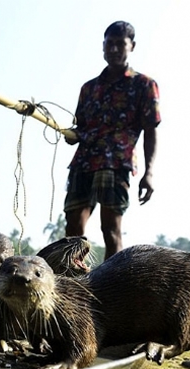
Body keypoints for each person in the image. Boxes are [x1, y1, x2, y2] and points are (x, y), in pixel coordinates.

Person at [63, 21, 161, 260]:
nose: (114, 49)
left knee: (110, 229)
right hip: (84, 163)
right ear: (103, 47)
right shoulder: (89, 88)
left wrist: (149, 173)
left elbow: (151, 130)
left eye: (120, 44)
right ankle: (71, 284)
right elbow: (81, 127)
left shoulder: (144, 85)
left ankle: (110, 288)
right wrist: (71, 135)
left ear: (132, 46)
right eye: (110, 44)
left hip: (115, 163)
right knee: (72, 230)